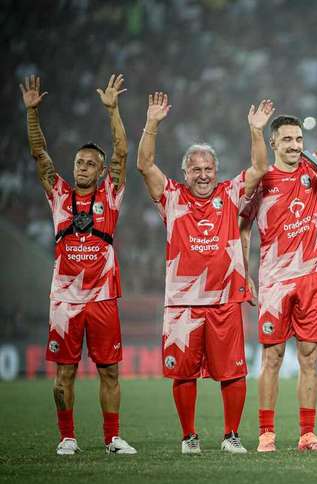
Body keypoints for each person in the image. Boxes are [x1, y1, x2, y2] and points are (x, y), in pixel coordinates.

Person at [136, 91, 272, 454]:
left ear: (217, 170)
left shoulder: (230, 194)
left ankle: (231, 436)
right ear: (185, 172)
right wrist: (151, 124)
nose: (202, 175)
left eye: (208, 168)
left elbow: (259, 168)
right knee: (183, 372)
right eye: (195, 169)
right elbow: (145, 165)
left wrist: (256, 131)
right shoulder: (173, 197)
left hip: (225, 300)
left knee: (234, 371)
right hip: (182, 303)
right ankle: (188, 437)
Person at [239, 59, 317, 453]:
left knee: (310, 356)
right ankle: (267, 435)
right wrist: (245, 273)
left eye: (297, 139)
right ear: (273, 143)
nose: (294, 145)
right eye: (286, 140)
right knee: (272, 357)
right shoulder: (260, 179)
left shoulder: (316, 169)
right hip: (273, 281)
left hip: (312, 277)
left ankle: (307, 434)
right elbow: (243, 226)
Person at [21, 74, 136, 455]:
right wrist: (32, 114)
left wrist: (112, 109)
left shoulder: (110, 193)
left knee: (110, 371)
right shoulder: (58, 193)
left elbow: (122, 151)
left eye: (90, 163)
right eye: (79, 162)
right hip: (65, 302)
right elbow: (40, 154)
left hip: (103, 299)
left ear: (101, 171)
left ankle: (112, 439)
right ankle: (67, 437)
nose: (83, 167)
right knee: (64, 371)